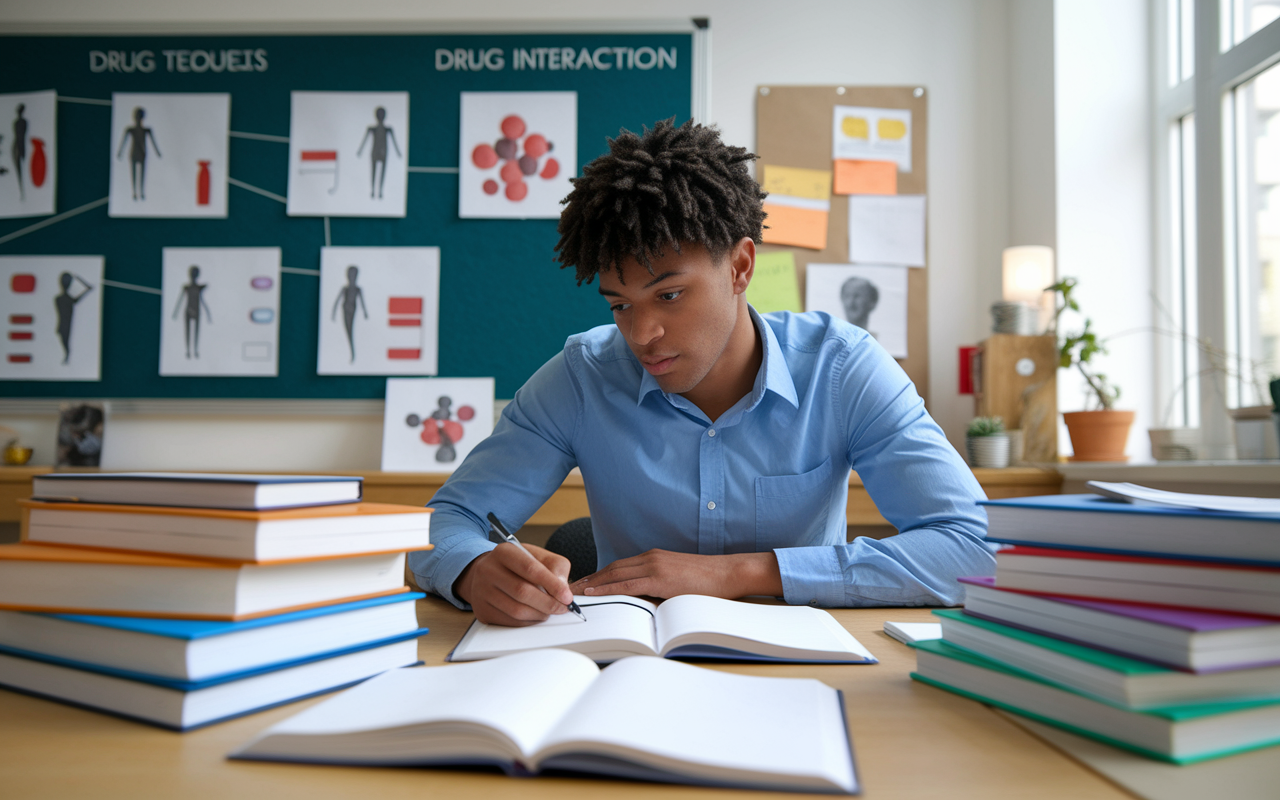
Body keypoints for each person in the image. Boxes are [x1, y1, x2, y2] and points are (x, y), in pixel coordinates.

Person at [408, 119, 991, 626]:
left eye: (669, 296)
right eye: (619, 304)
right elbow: (442, 526)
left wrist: (738, 573)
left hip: (804, 665)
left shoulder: (843, 370)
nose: (640, 335)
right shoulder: (580, 378)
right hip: (633, 666)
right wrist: (472, 569)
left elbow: (975, 549)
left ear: (740, 267)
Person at [356, 107, 401, 200]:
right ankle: (373, 190)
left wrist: (398, 152)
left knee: (382, 172)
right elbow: (365, 140)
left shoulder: (388, 129)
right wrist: (360, 150)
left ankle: (380, 191)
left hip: (383, 152)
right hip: (375, 151)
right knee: (374, 171)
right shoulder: (372, 129)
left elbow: (394, 142)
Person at [117, 107, 161, 201]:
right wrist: (120, 152)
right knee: (134, 174)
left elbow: (153, 143)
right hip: (134, 153)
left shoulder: (147, 130)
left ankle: (141, 192)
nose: (138, 118)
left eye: (139, 116)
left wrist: (157, 152)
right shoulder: (130, 130)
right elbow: (124, 142)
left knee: (142, 174)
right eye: (137, 116)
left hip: (142, 154)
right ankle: (134, 193)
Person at [54, 272, 94, 364]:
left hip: (65, 325)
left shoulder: (61, 299)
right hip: (64, 325)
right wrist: (86, 288)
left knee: (66, 344)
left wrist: (87, 288)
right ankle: (66, 356)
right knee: (65, 344)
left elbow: (79, 296)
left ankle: (67, 356)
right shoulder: (63, 299)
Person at [173, 265, 211, 359]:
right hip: (189, 311)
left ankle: (195, 351)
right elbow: (180, 300)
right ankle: (188, 352)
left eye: (195, 273)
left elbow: (202, 300)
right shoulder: (186, 287)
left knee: (196, 332)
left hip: (196, 311)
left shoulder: (199, 288)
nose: (193, 276)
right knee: (188, 332)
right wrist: (175, 313)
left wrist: (208, 314)